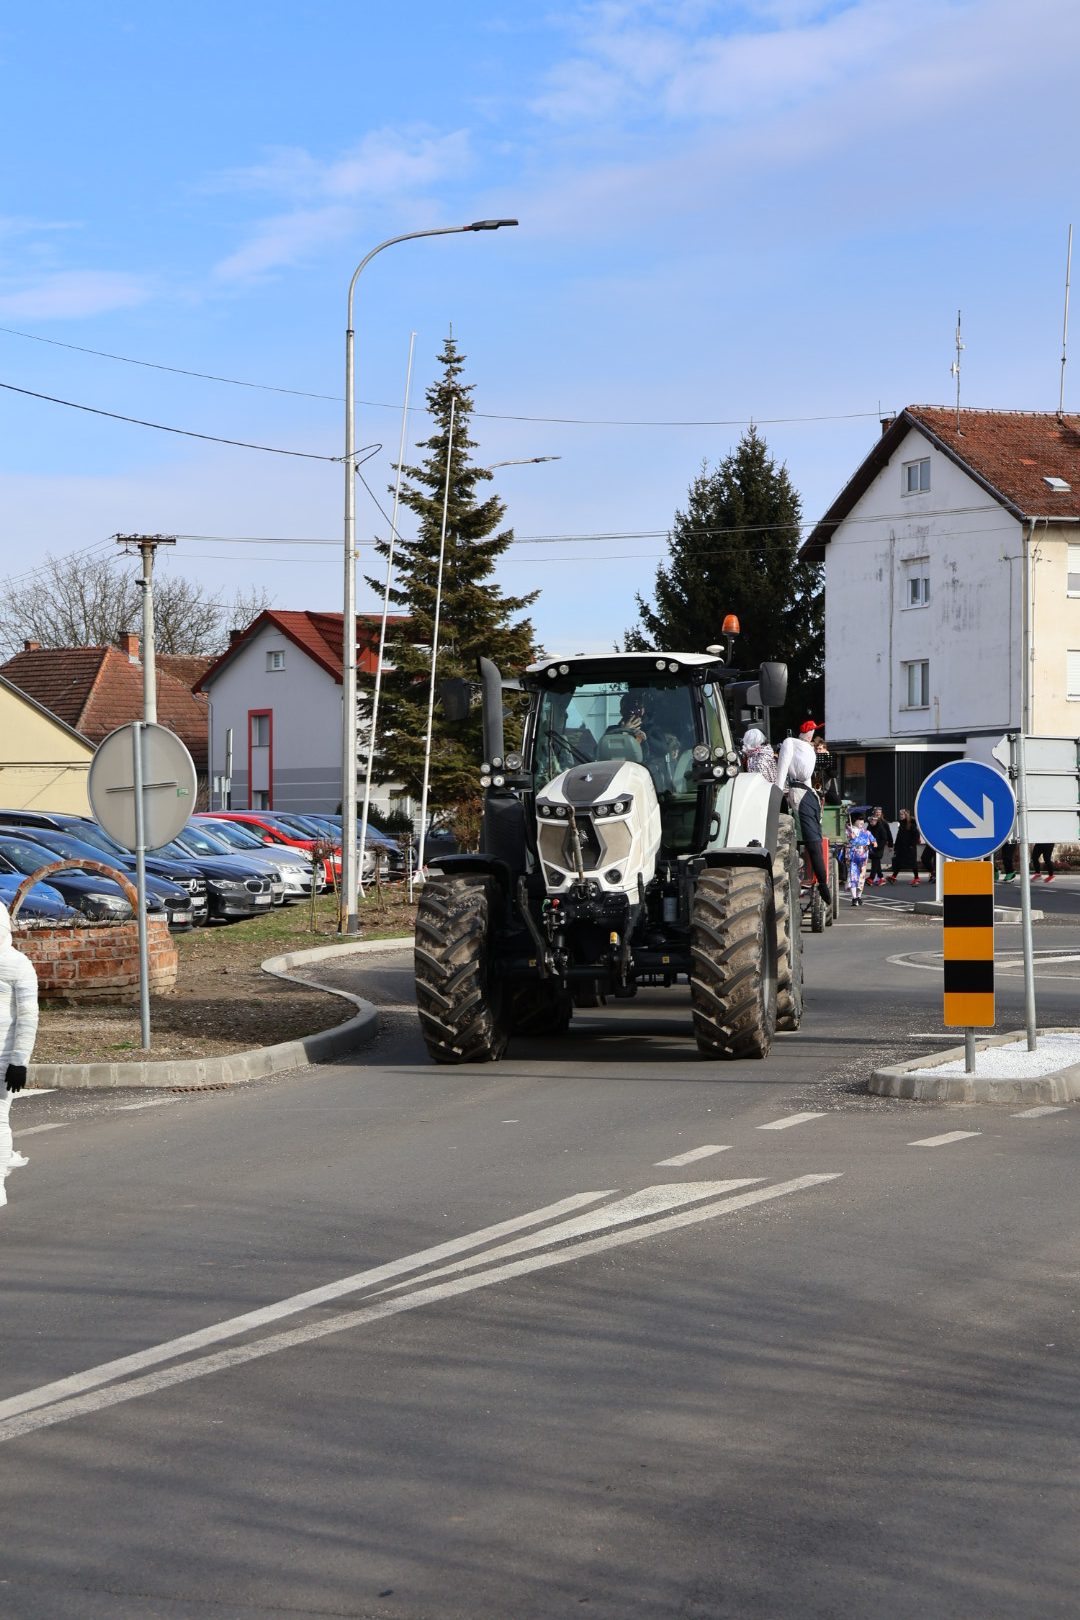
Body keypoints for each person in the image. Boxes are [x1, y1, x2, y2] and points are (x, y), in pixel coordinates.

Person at [0, 900, 39, 1209]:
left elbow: (28, 1016)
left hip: (3, 1058)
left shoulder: (16, 965)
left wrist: (18, 1062)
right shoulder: (18, 963)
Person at [777, 720, 831, 906]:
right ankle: (822, 882)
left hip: (805, 793)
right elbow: (784, 769)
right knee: (812, 838)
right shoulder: (791, 743)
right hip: (801, 792)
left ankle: (822, 882)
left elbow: (797, 774)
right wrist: (778, 792)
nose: (813, 735)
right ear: (808, 733)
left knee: (813, 838)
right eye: (813, 731)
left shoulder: (806, 748)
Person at [887, 809, 922, 885]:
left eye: (902, 814)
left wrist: (911, 845)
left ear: (906, 815)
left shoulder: (911, 824)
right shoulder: (901, 823)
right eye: (900, 815)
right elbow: (899, 837)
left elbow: (916, 835)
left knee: (913, 863)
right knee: (899, 862)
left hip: (909, 847)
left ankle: (916, 878)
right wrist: (896, 847)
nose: (900, 816)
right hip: (901, 847)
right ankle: (893, 876)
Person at [846, 817, 874, 906]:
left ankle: (859, 896)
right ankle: (854, 897)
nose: (862, 822)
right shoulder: (848, 830)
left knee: (861, 877)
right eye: (859, 820)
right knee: (853, 877)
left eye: (862, 820)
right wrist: (850, 837)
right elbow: (843, 841)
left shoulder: (866, 832)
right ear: (854, 821)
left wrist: (870, 844)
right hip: (852, 857)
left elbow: (873, 841)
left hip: (863, 857)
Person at [866, 806, 893, 886]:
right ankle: (881, 877)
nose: (878, 814)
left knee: (875, 861)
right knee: (876, 862)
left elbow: (888, 834)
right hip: (872, 846)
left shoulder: (884, 823)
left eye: (879, 813)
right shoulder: (871, 823)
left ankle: (871, 878)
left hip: (879, 846)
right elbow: (867, 833)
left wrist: (890, 845)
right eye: (876, 813)